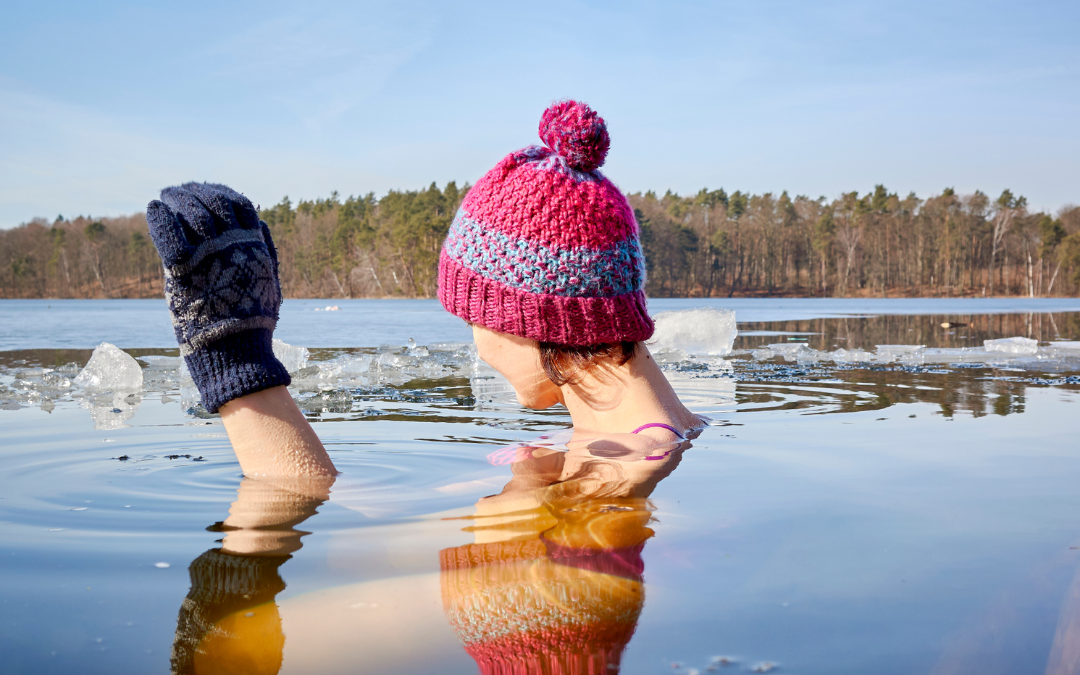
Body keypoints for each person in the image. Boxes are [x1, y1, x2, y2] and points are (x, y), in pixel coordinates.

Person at [145, 99, 700, 478]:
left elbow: (354, 554)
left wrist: (240, 373)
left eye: (472, 317)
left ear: (530, 320)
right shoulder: (653, 435)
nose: (477, 346)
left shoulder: (617, 466)